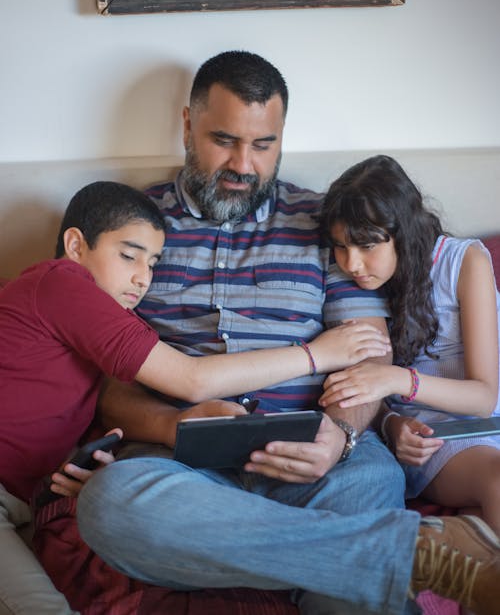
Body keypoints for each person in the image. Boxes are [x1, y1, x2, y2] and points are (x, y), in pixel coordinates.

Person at [75, 52, 500, 615]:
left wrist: (339, 438)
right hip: (186, 469)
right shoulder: (135, 229)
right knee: (110, 506)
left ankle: (325, 557)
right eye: (223, 139)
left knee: (369, 485)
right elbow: (111, 383)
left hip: (326, 462)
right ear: (187, 126)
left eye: (263, 144)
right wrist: (172, 423)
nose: (243, 164)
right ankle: (399, 555)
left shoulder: (328, 224)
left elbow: (365, 360)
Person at [0, 178, 389, 615]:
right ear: (75, 246)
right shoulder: (64, 285)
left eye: (153, 264)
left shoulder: (103, 320)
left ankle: (366, 562)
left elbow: (44, 401)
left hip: (28, 497)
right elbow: (190, 379)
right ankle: (382, 559)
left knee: (371, 481)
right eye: (128, 256)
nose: (142, 278)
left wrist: (81, 458)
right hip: (18, 494)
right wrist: (316, 354)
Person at [319, 154, 500, 538]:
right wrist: (391, 422)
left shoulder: (464, 262)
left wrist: (397, 379)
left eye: (367, 245)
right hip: (431, 440)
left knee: (483, 523)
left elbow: (484, 397)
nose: (352, 263)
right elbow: (363, 386)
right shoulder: (351, 286)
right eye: (340, 246)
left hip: (488, 417)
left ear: (402, 232)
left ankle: (457, 552)